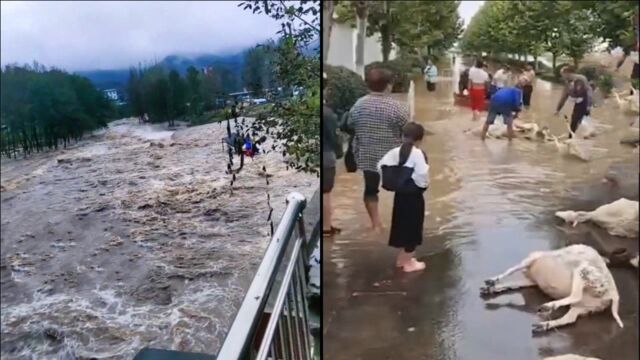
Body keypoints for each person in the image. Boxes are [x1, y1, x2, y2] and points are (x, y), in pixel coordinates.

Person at [349, 67, 409, 233]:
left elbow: (350, 125)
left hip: (368, 157)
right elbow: (408, 131)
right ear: (389, 86)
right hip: (392, 158)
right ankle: (400, 223)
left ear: (368, 85)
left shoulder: (358, 105)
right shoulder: (399, 108)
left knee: (370, 189)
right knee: (402, 189)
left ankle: (376, 224)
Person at [378, 122, 429, 272]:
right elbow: (422, 175)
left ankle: (402, 259)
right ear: (420, 139)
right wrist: (421, 187)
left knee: (401, 226)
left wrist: (398, 183)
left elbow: (380, 166)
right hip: (414, 197)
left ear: (402, 136)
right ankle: (408, 264)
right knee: (413, 229)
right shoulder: (418, 153)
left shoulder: (393, 152)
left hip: (399, 196)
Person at [323, 72, 342, 236]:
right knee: (326, 193)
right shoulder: (328, 114)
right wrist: (340, 152)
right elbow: (335, 137)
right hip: (327, 156)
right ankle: (326, 227)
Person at [554, 65, 593, 137]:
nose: (562, 77)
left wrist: (589, 105)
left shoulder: (581, 79)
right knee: (575, 120)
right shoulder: (567, 83)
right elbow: (564, 97)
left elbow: (589, 92)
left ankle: (577, 136)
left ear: (567, 73)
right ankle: (572, 137)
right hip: (578, 103)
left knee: (580, 119)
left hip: (585, 101)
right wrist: (558, 109)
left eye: (562, 75)